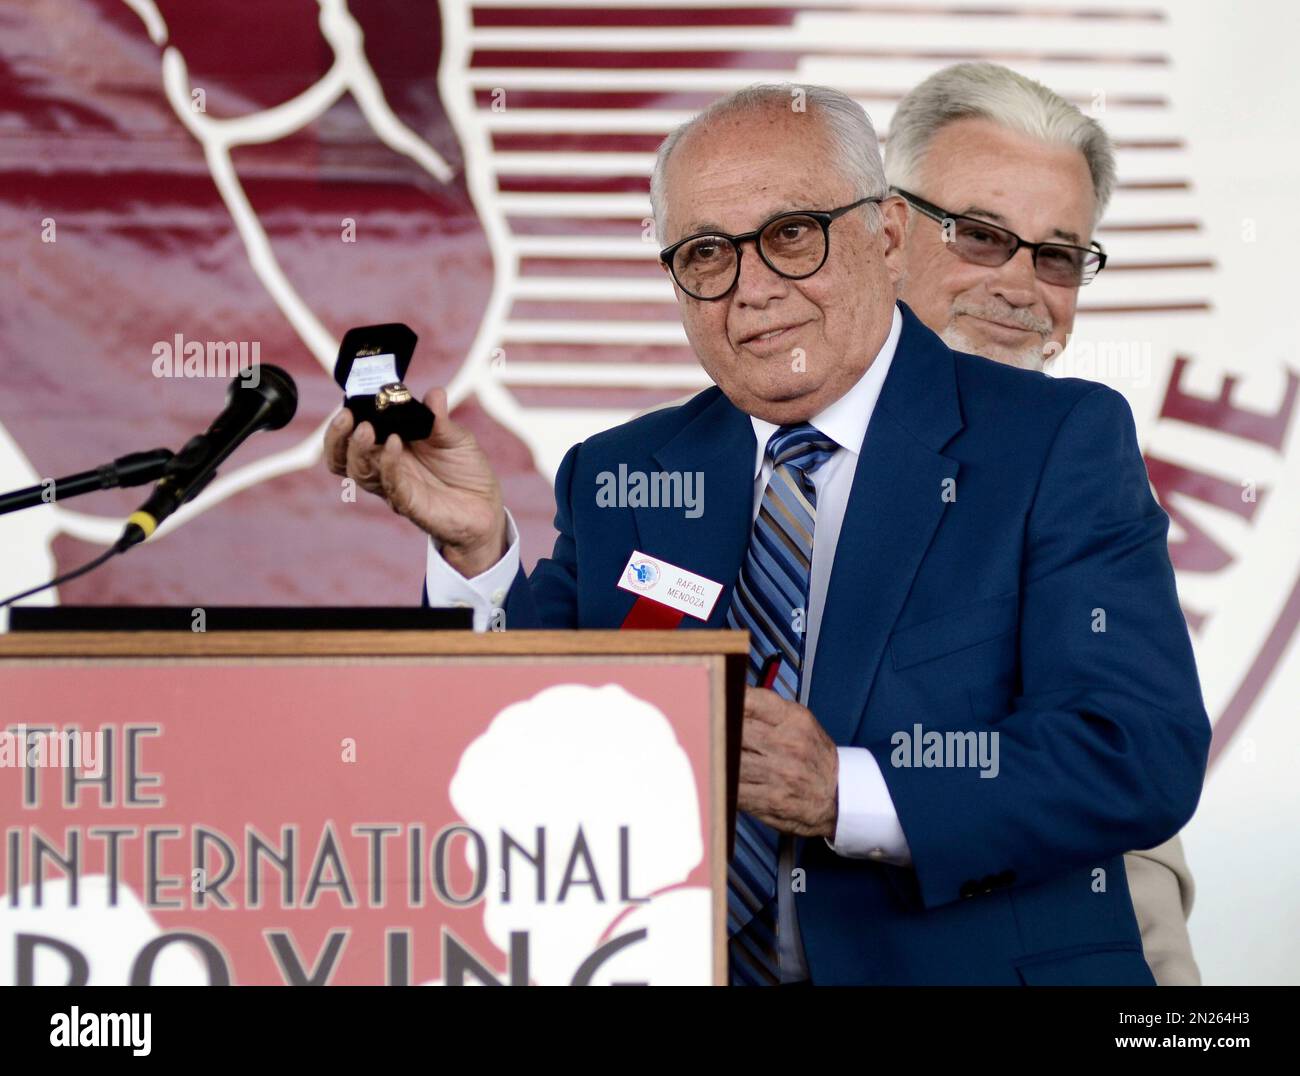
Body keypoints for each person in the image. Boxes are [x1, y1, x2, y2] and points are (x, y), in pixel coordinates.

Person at [326, 82, 1210, 985]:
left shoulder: (1056, 441)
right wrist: (477, 553)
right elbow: (518, 738)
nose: (752, 290)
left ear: (888, 235)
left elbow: (1134, 747)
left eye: (793, 234)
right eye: (707, 253)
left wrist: (848, 794)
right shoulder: (620, 473)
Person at [886, 61, 1200, 986]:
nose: (1023, 287)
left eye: (1058, 255)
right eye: (983, 236)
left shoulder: (1082, 452)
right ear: (884, 231)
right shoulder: (753, 450)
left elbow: (1127, 781)